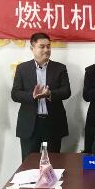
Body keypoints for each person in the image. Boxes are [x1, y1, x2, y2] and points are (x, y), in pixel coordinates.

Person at [11, 32, 71, 160]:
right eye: (42, 46)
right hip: (30, 124)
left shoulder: (60, 68)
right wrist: (32, 96)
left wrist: (50, 94)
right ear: (32, 48)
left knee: (53, 163)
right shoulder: (22, 68)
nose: (46, 50)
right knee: (28, 164)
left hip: (53, 123)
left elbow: (66, 91)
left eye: (48, 46)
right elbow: (15, 94)